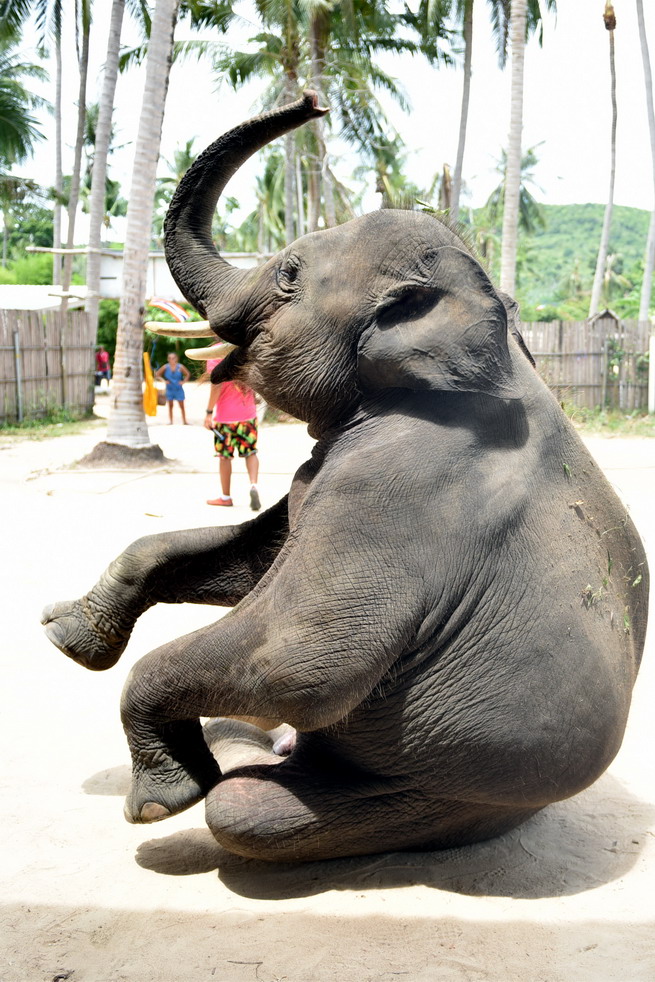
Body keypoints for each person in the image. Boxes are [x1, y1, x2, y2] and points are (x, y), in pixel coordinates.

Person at [204, 357, 260, 510]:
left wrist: (208, 412)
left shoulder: (215, 355)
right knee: (251, 453)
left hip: (225, 419)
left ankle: (226, 497)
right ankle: (254, 485)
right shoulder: (246, 350)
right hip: (248, 415)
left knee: (224, 457)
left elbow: (216, 386)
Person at [156, 352, 190, 424]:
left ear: (176, 359)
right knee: (170, 406)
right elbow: (157, 374)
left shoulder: (180, 367)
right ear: (168, 359)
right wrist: (164, 381)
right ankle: (171, 421)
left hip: (178, 389)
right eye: (170, 358)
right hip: (169, 389)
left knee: (182, 406)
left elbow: (188, 374)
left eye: (173, 358)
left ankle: (185, 421)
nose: (172, 360)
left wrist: (183, 382)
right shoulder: (166, 367)